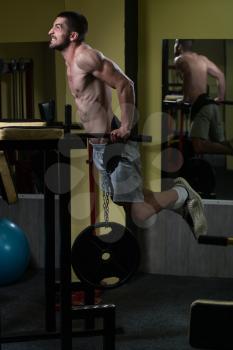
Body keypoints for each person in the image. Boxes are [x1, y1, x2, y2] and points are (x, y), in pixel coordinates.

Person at [48, 12, 207, 238]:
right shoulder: (71, 62)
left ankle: (182, 193)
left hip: (116, 146)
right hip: (101, 147)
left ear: (72, 35)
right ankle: (180, 201)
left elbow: (125, 84)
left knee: (140, 213)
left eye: (57, 27)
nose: (50, 32)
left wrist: (125, 126)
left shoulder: (86, 57)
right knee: (126, 201)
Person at [174, 39, 233, 155]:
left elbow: (188, 73)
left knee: (198, 146)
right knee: (220, 143)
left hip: (201, 107)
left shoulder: (180, 59)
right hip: (212, 105)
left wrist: (185, 98)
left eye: (175, 44)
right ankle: (229, 147)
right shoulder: (203, 59)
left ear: (179, 46)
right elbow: (220, 75)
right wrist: (220, 97)